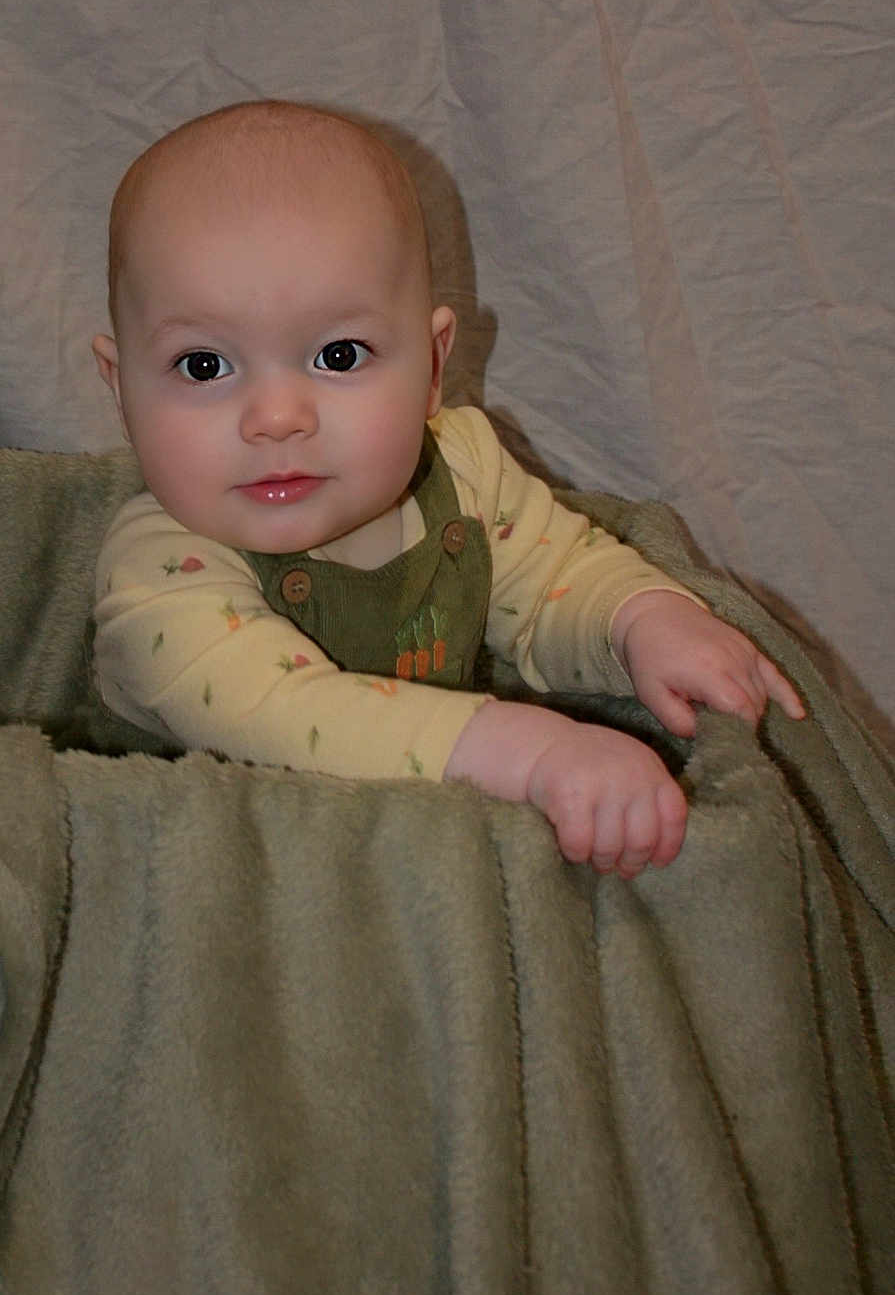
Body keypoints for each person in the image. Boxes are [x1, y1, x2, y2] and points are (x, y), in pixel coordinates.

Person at [90, 101, 805, 878]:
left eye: (338, 355)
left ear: (432, 368)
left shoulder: (459, 470)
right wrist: (534, 753)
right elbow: (282, 716)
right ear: (120, 388)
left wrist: (640, 619)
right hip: (230, 877)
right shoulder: (159, 567)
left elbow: (551, 577)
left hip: (426, 859)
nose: (276, 419)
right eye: (203, 366)